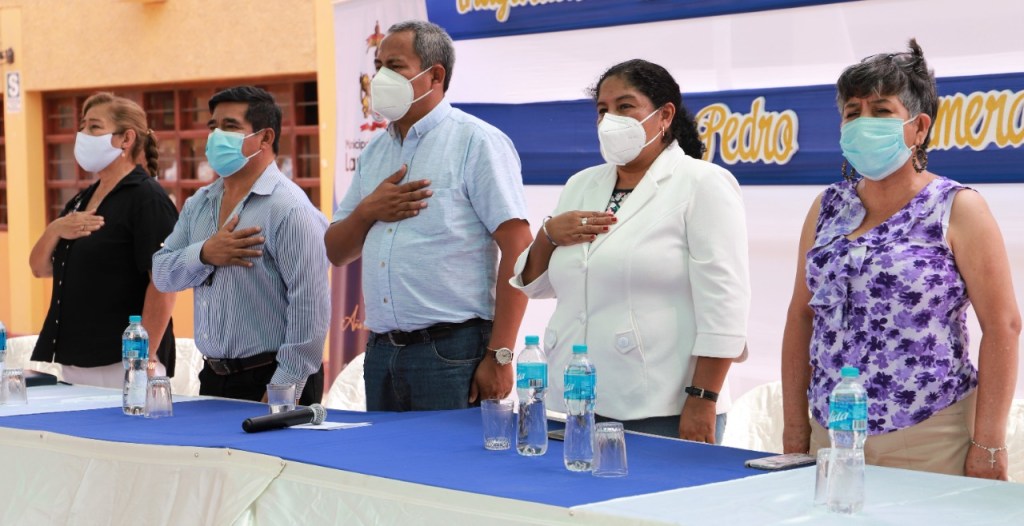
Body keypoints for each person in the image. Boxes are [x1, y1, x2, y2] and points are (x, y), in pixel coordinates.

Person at [780, 39, 1019, 479]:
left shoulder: (957, 207)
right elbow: (801, 316)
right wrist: (795, 427)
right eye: (852, 112)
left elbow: (1004, 325)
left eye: (881, 111)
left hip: (930, 434)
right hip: (831, 433)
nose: (863, 123)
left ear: (919, 126)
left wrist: (988, 445)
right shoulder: (827, 207)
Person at [511, 59, 751, 443]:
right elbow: (537, 287)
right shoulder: (582, 184)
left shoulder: (702, 183)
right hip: (573, 395)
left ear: (665, 115)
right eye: (602, 110)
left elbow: (725, 301)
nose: (610, 120)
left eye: (625, 107)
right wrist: (548, 235)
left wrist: (703, 397)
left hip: (663, 404)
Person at [324, 20, 531, 411]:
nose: (379, 78)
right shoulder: (374, 152)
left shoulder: (476, 141)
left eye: (394, 66)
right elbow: (337, 251)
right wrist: (369, 210)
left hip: (453, 352)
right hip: (382, 352)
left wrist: (501, 354)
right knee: (385, 454)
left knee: (452, 454)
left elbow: (519, 248)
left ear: (435, 75)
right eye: (377, 66)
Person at [152, 86, 330, 405]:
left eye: (230, 126)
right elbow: (162, 274)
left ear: (265, 138)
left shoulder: (289, 209)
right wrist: (205, 254)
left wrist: (281, 391)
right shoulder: (199, 203)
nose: (216, 136)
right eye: (213, 126)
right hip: (213, 376)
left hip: (271, 377)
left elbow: (310, 310)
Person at [29, 93, 178, 388]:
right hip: (76, 360)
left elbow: (164, 284)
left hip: (124, 362)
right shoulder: (81, 200)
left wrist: (143, 358)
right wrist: (54, 229)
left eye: (94, 127)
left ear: (126, 139)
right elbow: (40, 268)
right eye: (82, 126)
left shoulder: (147, 199)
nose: (83, 134)